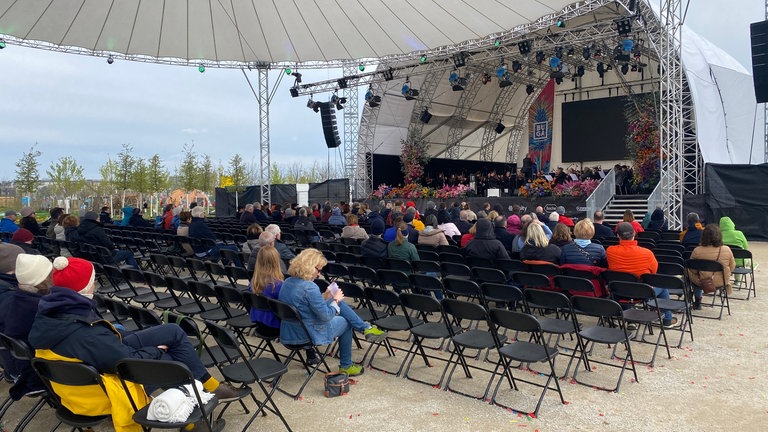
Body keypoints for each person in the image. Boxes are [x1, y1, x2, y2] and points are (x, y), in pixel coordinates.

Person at [28, 256, 246, 432]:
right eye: (92, 280)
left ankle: (211, 387)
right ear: (84, 287)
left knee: (173, 331)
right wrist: (154, 351)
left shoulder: (53, 310)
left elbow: (105, 350)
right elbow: (126, 364)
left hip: (95, 364)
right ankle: (193, 423)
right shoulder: (83, 331)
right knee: (172, 363)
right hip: (103, 390)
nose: (95, 283)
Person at [278, 249, 385, 376]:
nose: (319, 274)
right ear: (309, 267)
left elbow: (303, 305)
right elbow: (326, 316)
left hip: (289, 331)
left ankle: (366, 328)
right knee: (345, 322)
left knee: (338, 303)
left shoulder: (288, 282)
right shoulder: (310, 287)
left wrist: (326, 297)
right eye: (318, 270)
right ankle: (346, 365)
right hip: (306, 334)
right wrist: (335, 300)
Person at [249, 246, 318, 364]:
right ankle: (310, 354)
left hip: (259, 325)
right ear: (277, 261)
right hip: (275, 327)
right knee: (300, 315)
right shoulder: (278, 285)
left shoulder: (253, 283)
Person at [0, 254, 52, 399]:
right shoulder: (41, 309)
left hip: (25, 370)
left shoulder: (16, 300)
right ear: (45, 278)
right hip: (44, 375)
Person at [606, 222, 676, 326]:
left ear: (618, 235)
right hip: (642, 294)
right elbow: (653, 272)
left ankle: (630, 319)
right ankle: (667, 319)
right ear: (634, 234)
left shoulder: (610, 251)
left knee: (626, 283)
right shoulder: (646, 253)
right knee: (662, 286)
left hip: (618, 291)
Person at [688, 224, 736, 310]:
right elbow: (732, 267)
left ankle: (698, 300)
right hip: (721, 282)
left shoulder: (697, 250)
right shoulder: (726, 249)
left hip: (701, 282)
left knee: (689, 271)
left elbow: (693, 270)